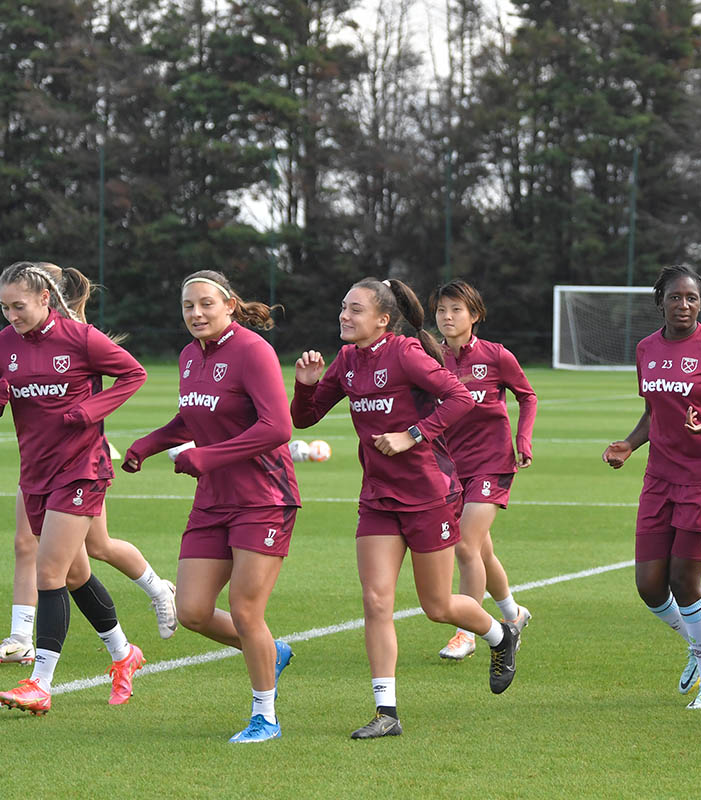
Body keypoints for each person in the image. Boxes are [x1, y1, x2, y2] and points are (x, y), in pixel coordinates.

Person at [292, 277, 520, 740]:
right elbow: (305, 418)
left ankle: (501, 633)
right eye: (343, 306)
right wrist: (304, 386)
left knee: (437, 606)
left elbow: (460, 397)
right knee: (377, 601)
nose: (344, 316)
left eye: (355, 310)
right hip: (377, 497)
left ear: (382, 318)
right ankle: (387, 712)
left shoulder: (406, 353)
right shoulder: (348, 361)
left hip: (428, 495)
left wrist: (412, 434)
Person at [122, 270, 298, 743]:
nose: (196, 314)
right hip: (213, 500)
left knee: (245, 610)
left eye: (205, 304)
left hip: (264, 498)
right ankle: (272, 653)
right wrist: (150, 443)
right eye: (187, 307)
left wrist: (207, 457)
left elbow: (278, 427)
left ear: (230, 305)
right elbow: (192, 416)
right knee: (193, 611)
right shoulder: (187, 356)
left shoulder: (253, 350)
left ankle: (266, 716)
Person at [0, 263, 176, 666]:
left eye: (18, 306)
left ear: (47, 296)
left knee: (50, 560)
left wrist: (87, 411)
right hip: (38, 467)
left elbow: (132, 373)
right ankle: (125, 646)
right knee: (88, 555)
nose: (11, 315)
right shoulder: (9, 342)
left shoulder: (76, 335)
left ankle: (28, 651)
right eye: (4, 307)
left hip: (80, 465)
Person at [603, 265, 701, 710]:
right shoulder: (646, 349)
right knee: (650, 586)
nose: (684, 305)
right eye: (676, 297)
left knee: (683, 580)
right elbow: (655, 411)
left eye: (692, 298)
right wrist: (629, 446)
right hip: (659, 477)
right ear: (661, 302)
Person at [431, 280, 536, 660]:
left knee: (464, 545)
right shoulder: (428, 356)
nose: (447, 316)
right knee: (481, 550)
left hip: (492, 464)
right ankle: (513, 614)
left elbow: (527, 396)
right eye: (442, 309)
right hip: (448, 467)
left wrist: (523, 439)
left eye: (456, 309)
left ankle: (467, 632)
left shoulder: (496, 356)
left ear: (474, 316)